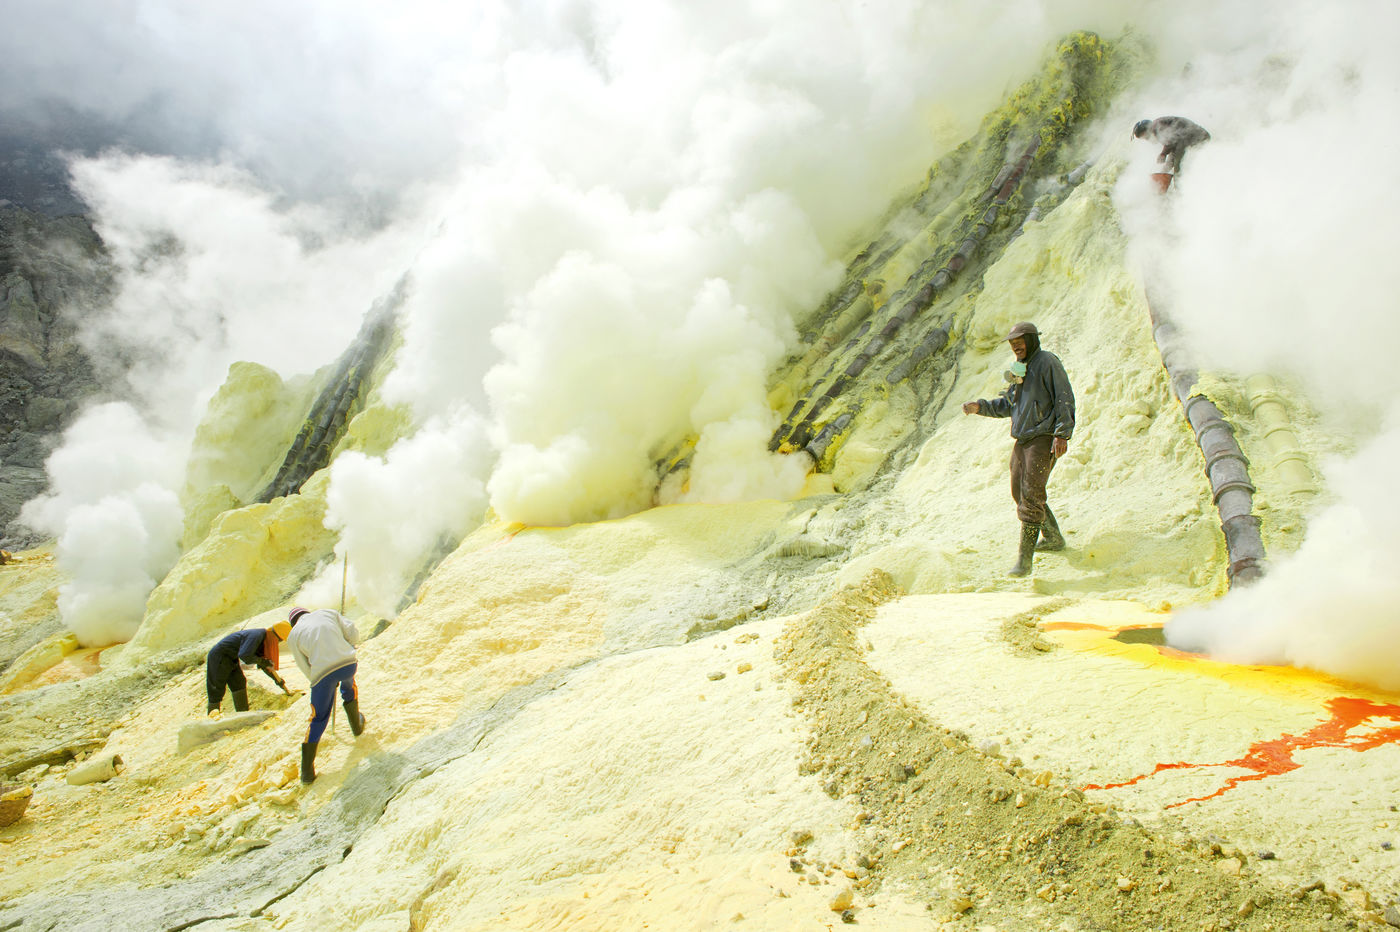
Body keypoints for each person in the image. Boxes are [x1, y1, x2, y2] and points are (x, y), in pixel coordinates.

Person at [962, 322, 1076, 577]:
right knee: (1019, 492)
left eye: (1020, 341)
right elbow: (1009, 404)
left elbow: (1064, 397)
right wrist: (980, 407)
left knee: (1031, 495)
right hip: (1023, 439)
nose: (1016, 346)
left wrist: (1062, 434)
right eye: (1013, 343)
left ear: (1032, 340)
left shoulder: (1047, 362)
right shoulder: (1019, 368)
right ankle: (1053, 537)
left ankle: (1024, 561)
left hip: (1043, 437)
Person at [283, 606, 367, 784]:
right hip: (347, 663)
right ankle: (356, 726)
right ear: (307, 613)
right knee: (349, 687)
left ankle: (307, 773)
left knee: (319, 716)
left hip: (322, 674)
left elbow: (304, 665)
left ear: (293, 623)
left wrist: (318, 680)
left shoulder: (293, 635)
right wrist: (348, 646)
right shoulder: (327, 613)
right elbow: (352, 633)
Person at [205, 621, 294, 718]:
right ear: (274, 636)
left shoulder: (264, 641)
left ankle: (243, 715)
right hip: (219, 656)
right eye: (279, 640)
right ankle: (212, 718)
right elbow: (245, 655)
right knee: (216, 687)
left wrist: (278, 681)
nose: (278, 643)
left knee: (239, 683)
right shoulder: (256, 636)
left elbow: (265, 666)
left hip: (231, 658)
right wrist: (263, 661)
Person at [1132, 116, 1211, 175]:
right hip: (1198, 137)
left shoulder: (1157, 126)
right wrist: (1163, 172)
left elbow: (1171, 141)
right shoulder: (1160, 128)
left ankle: (1179, 189)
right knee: (1179, 165)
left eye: (1145, 137)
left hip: (1197, 137)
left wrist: (1163, 154)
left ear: (1146, 130)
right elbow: (1173, 149)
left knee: (1178, 168)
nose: (1147, 139)